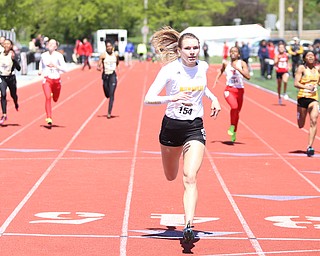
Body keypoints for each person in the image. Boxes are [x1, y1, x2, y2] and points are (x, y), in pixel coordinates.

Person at [144, 26, 221, 242]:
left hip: (194, 127)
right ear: (179, 51)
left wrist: (213, 98)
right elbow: (148, 98)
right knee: (171, 176)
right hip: (171, 128)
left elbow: (202, 87)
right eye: (187, 48)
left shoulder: (203, 67)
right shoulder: (169, 70)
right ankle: (186, 222)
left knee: (190, 176)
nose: (192, 51)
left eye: (195, 47)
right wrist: (172, 99)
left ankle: (188, 226)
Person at [213, 46, 250, 142]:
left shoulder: (242, 63)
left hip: (240, 90)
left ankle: (234, 130)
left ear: (238, 54)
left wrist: (238, 69)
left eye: (235, 52)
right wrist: (217, 79)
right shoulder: (226, 63)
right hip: (229, 89)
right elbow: (221, 70)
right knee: (234, 107)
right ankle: (232, 127)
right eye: (231, 52)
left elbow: (248, 76)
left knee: (237, 112)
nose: (233, 53)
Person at [294, 50, 319, 157]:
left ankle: (310, 146)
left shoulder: (317, 69)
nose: (310, 57)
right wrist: (306, 87)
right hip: (302, 98)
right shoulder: (301, 68)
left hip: (313, 99)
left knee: (314, 120)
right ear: (304, 58)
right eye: (308, 56)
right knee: (301, 124)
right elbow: (296, 83)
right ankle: (299, 114)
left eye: (312, 55)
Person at [38, 39, 67, 126]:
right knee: (47, 97)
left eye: (52, 43)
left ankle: (53, 94)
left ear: (56, 46)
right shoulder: (43, 55)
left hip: (56, 80)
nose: (50, 45)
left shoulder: (59, 56)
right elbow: (41, 64)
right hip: (47, 79)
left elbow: (65, 69)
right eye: (49, 43)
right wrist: (40, 71)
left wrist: (55, 66)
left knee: (55, 99)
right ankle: (49, 117)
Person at [0, 39, 21, 124]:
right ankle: (4, 114)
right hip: (2, 77)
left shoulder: (13, 54)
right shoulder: (0, 54)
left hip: (11, 78)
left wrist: (13, 59)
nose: (6, 45)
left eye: (8, 44)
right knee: (3, 95)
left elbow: (19, 69)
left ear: (11, 45)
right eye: (5, 44)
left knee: (13, 95)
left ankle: (16, 103)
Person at [97, 41, 119, 119]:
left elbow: (117, 62)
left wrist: (116, 67)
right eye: (107, 46)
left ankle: (109, 112)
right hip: (105, 76)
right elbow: (98, 64)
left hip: (113, 75)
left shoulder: (115, 54)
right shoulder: (103, 55)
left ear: (112, 47)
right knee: (107, 94)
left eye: (110, 46)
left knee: (112, 94)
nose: (109, 48)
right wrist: (99, 67)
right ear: (106, 48)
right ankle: (108, 94)